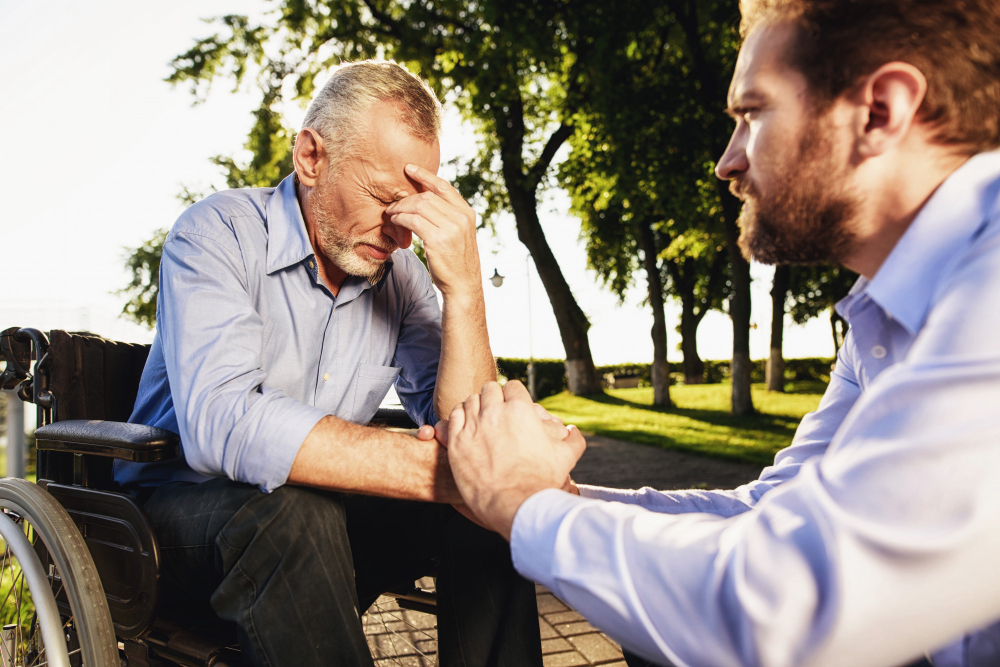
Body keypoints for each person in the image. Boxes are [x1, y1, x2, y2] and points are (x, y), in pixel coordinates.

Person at [439, 1, 1000, 666]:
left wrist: (519, 501)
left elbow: (783, 613)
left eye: (751, 114)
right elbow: (771, 511)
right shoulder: (886, 314)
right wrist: (555, 493)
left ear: (879, 110)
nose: (725, 163)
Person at [116, 61, 542, 667]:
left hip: (319, 521)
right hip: (178, 521)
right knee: (299, 511)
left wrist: (465, 289)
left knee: (484, 511)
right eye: (385, 199)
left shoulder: (403, 278)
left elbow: (468, 426)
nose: (401, 234)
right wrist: (449, 474)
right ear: (312, 157)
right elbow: (223, 423)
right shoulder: (217, 233)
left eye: (414, 210)